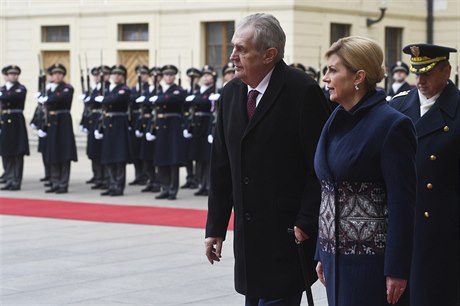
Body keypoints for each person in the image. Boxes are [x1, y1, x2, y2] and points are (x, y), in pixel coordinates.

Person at [204, 13, 330, 305]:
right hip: (249, 241)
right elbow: (222, 166)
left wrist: (307, 220)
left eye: (242, 49)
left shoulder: (302, 92)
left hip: (286, 236)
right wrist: (215, 228)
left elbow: (319, 165)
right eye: (233, 47)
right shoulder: (231, 94)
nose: (232, 56)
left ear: (269, 54)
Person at [314, 36, 417, 306]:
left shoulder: (392, 125)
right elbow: (327, 190)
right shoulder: (335, 119)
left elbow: (403, 203)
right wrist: (320, 251)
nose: (326, 78)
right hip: (334, 259)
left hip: (372, 266)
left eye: (333, 70)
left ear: (359, 76)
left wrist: (397, 269)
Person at [390, 44, 460, 306]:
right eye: (416, 73)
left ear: (447, 71)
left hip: (441, 236)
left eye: (427, 74)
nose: (419, 81)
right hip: (401, 229)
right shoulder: (398, 106)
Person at [38, 64, 78, 194]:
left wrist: (47, 97)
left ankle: (63, 184)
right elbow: (42, 109)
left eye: (60, 73)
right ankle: (55, 181)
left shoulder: (67, 88)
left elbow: (59, 98)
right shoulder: (49, 89)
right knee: (53, 152)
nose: (57, 75)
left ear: (63, 75)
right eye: (55, 74)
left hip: (63, 122)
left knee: (64, 153)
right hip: (51, 122)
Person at [151, 64, 187, 200]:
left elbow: (174, 99)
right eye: (166, 75)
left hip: (173, 127)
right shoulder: (158, 89)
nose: (169, 77)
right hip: (160, 126)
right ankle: (164, 188)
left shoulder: (178, 90)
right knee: (161, 158)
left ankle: (173, 189)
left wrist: (159, 99)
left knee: (173, 159)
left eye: (171, 75)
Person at [96, 64, 131, 196]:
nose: (116, 76)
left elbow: (114, 99)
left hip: (119, 124)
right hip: (108, 123)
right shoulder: (108, 89)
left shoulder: (124, 89)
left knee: (119, 156)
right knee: (109, 155)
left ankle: (119, 186)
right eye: (114, 74)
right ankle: (111, 184)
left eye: (119, 74)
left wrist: (104, 99)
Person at [0, 65, 29, 191]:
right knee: (6, 152)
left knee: (17, 152)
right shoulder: (2, 89)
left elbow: (10, 97)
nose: (13, 76)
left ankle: (16, 180)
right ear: (6, 75)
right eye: (11, 74)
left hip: (16, 122)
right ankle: (9, 177)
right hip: (4, 121)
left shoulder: (20, 88)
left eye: (15, 74)